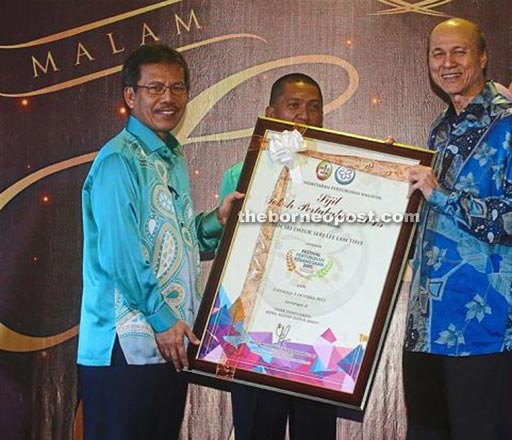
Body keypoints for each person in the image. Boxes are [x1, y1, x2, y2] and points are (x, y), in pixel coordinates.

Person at [77, 44, 240, 440]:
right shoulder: (119, 160)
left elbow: (180, 241)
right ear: (130, 96)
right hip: (123, 347)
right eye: (155, 88)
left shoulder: (169, 157)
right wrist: (164, 321)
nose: (168, 98)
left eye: (178, 87)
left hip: (167, 344)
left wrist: (217, 221)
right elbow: (121, 256)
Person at [404, 18, 512, 440]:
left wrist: (440, 193)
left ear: (482, 57)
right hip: (425, 325)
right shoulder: (440, 128)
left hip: (481, 328)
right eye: (437, 53)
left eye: (459, 52)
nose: (447, 63)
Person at [218, 73, 337, 440]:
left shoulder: (340, 176)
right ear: (271, 112)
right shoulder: (241, 176)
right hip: (257, 337)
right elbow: (228, 259)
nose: (305, 115)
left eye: (314, 107)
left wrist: (381, 171)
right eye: (294, 105)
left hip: (315, 338)